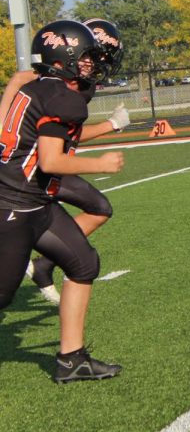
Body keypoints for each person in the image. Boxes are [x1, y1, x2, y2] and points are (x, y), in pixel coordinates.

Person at [0, 20, 126, 382]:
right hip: (14, 204)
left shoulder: (40, 88)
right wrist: (100, 164)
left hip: (36, 201)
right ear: (63, 56)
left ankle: (72, 359)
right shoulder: (60, 96)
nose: (91, 63)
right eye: (85, 57)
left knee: (84, 263)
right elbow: (52, 161)